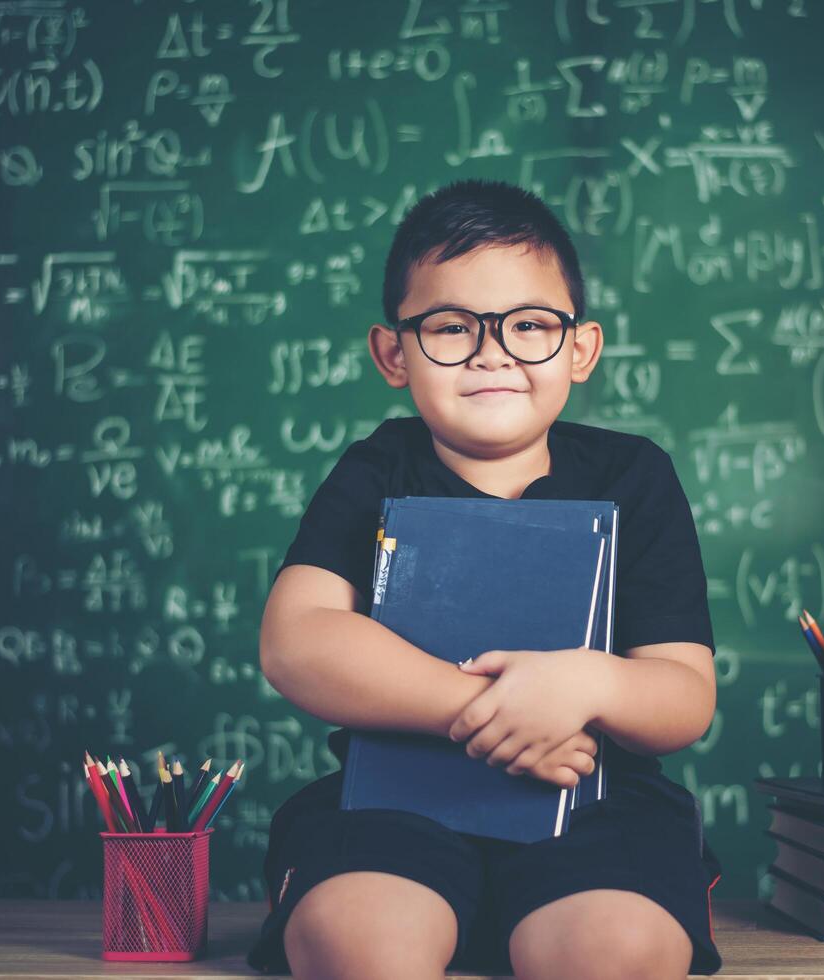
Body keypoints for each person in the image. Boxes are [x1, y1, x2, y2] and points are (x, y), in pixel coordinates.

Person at [248, 178, 722, 979]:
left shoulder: (633, 476)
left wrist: (584, 684)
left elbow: (683, 696)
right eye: (450, 327)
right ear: (393, 353)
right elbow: (296, 642)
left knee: (617, 951)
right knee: (354, 941)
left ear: (580, 347)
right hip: (392, 806)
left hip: (592, 812)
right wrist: (489, 712)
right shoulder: (374, 472)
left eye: (529, 325)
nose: (492, 351)